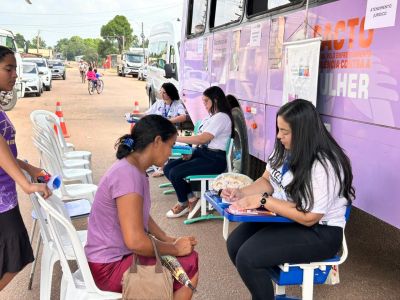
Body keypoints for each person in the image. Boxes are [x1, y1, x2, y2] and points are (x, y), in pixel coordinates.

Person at [222, 99, 355, 300]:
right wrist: (242, 192)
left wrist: (263, 201)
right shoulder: (284, 149)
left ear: (303, 132)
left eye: (285, 132)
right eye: (278, 129)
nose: (278, 136)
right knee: (234, 244)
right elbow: (267, 181)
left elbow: (310, 217)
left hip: (321, 232)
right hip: (288, 218)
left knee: (248, 258)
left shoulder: (323, 164)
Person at [84, 115, 199, 299]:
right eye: (170, 146)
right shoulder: (128, 176)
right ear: (157, 141)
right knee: (188, 262)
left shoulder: (132, 167)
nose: (171, 153)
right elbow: (136, 242)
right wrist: (175, 249)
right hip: (109, 266)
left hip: (111, 257)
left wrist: (167, 238)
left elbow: (140, 214)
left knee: (185, 258)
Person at [0, 45, 51, 291]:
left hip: (6, 195)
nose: (15, 74)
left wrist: (29, 167)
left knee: (13, 258)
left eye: (15, 69)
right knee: (15, 257)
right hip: (1, 199)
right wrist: (27, 184)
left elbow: (5, 153)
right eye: (8, 68)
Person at [163, 86, 234, 218]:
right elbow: (202, 141)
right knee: (168, 168)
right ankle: (191, 198)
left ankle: (183, 202)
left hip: (214, 159)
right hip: (204, 153)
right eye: (203, 102)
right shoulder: (213, 117)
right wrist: (192, 151)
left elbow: (203, 138)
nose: (204, 105)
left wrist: (175, 138)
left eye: (206, 101)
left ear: (216, 100)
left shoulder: (222, 117)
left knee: (175, 172)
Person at [132, 82, 188, 177]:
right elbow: (147, 113)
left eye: (164, 92)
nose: (162, 94)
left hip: (170, 131)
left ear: (170, 93)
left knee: (162, 142)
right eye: (161, 92)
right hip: (157, 130)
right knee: (144, 139)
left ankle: (161, 167)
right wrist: (134, 114)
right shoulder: (159, 103)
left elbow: (183, 117)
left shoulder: (177, 104)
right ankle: (145, 161)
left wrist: (168, 121)